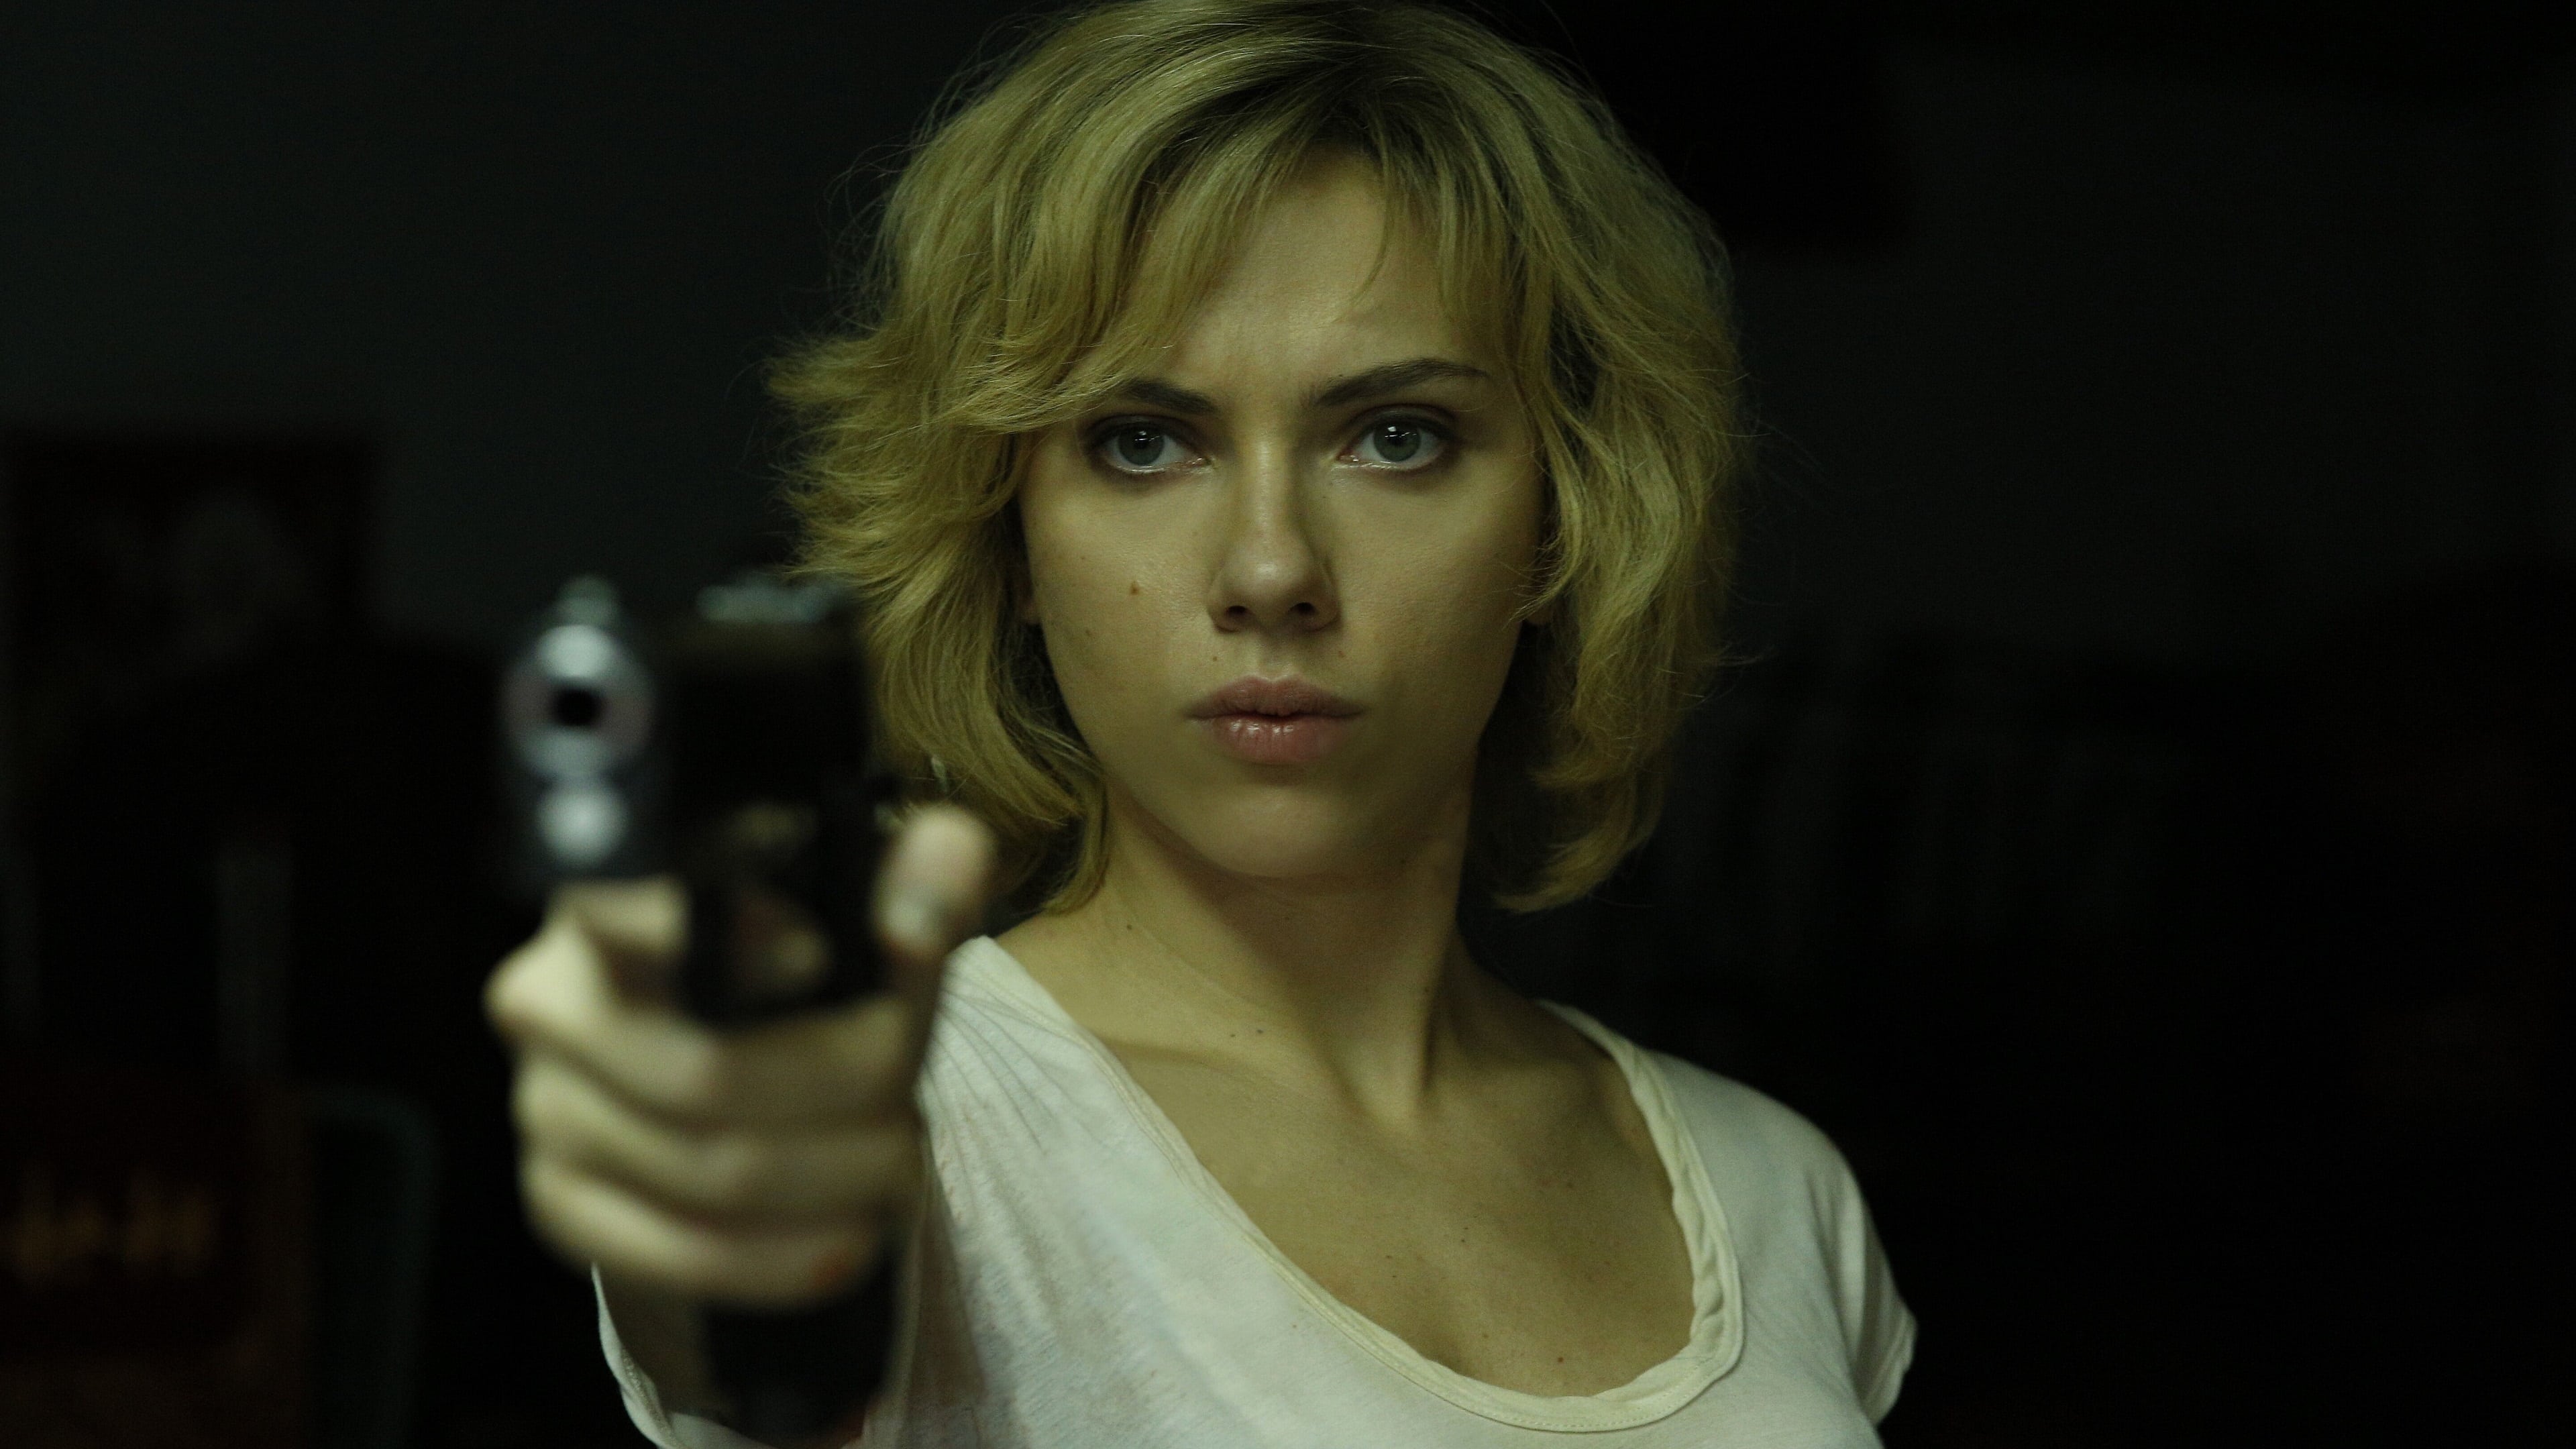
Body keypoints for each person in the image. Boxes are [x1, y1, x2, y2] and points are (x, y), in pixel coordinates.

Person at [484, 1, 1915, 1444]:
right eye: (1143, 442)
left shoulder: (1771, 1191)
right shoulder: (896, 1113)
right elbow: (735, 1284)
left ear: (1564, 516)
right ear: (1008, 535)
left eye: (1397, 437)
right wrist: (713, 1202)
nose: (1271, 570)